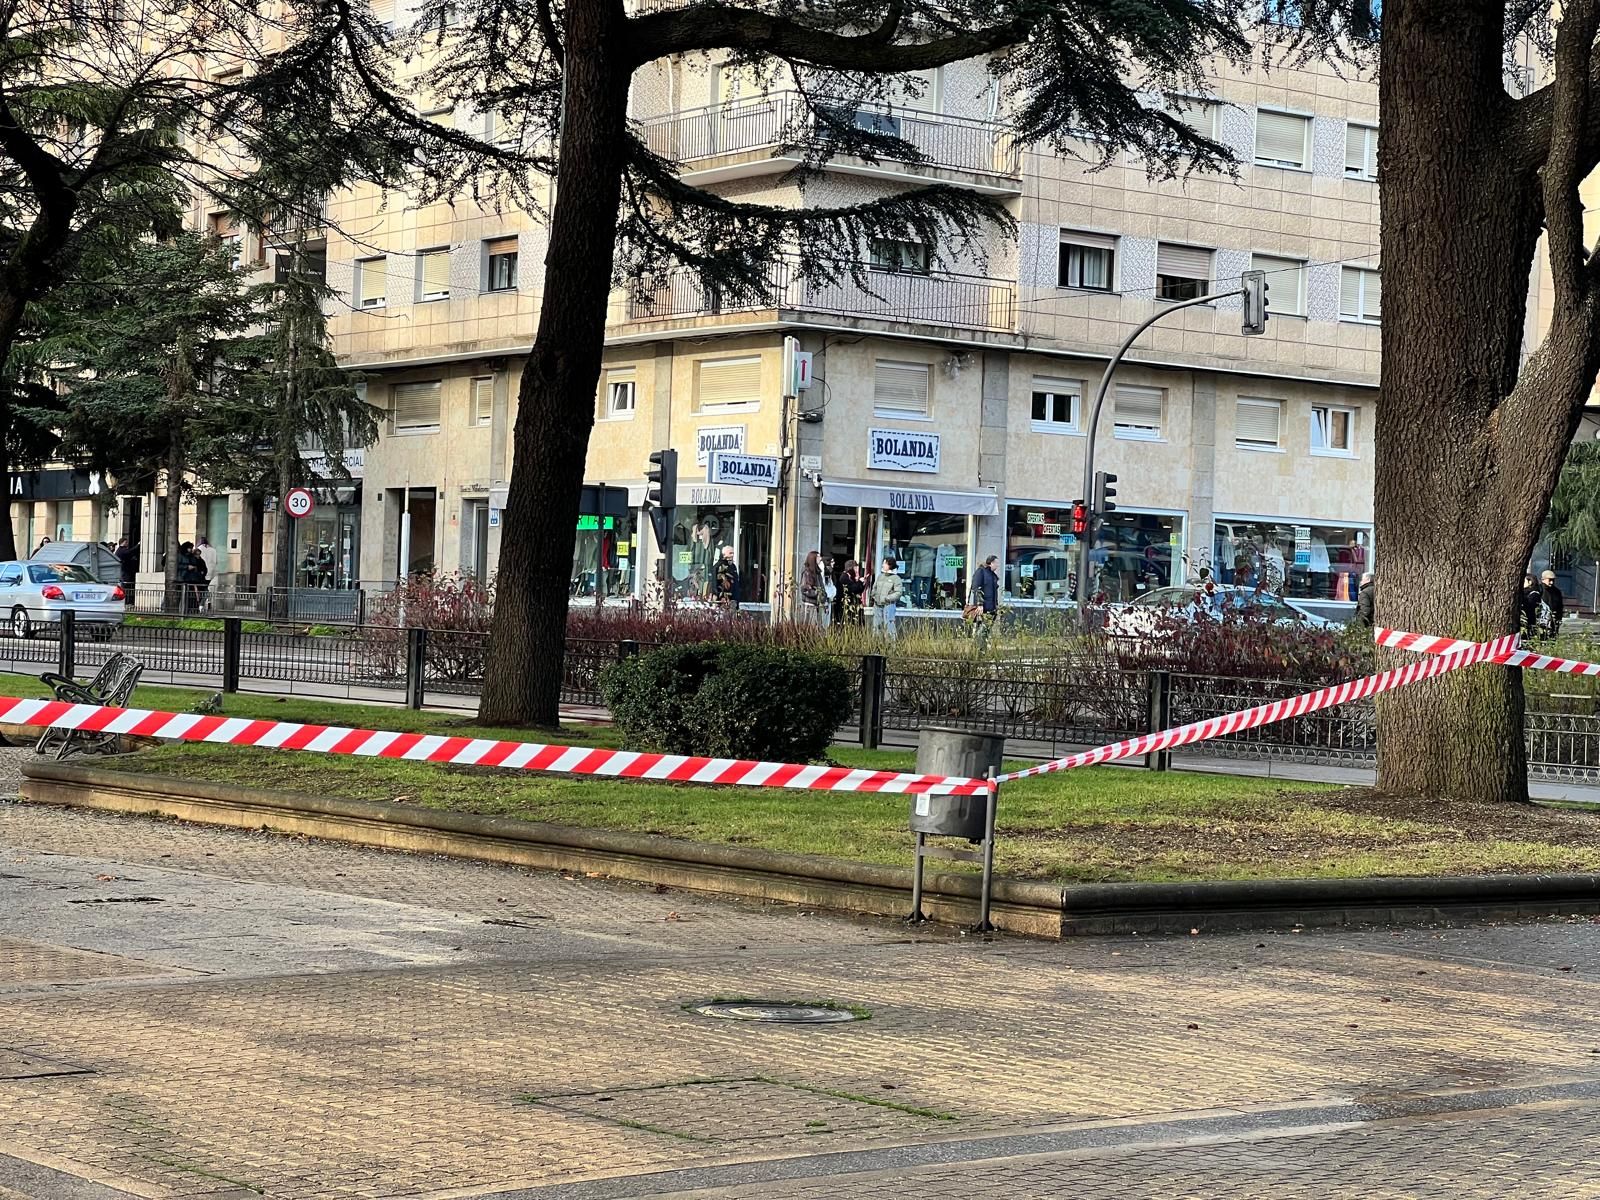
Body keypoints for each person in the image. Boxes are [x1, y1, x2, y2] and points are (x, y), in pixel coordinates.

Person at [869, 554, 903, 639]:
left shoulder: (896, 578)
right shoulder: (880, 576)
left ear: (889, 565)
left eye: (884, 563)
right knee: (876, 626)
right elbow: (874, 587)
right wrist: (874, 596)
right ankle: (877, 644)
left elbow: (898, 592)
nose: (882, 565)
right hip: (877, 605)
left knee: (889, 625)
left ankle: (891, 645)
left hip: (888, 605)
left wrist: (887, 598)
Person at [971, 554, 1001, 648]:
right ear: (991, 563)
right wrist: (979, 604)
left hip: (991, 608)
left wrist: (996, 606)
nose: (997, 565)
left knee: (986, 630)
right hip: (983, 608)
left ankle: (982, 648)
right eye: (996, 563)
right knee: (981, 629)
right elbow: (976, 588)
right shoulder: (981, 572)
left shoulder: (992, 575)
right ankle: (978, 649)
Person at [177, 540, 207, 614]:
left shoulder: (191, 556)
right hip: (183, 577)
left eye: (191, 548)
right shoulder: (180, 555)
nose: (191, 549)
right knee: (183, 595)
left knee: (192, 595)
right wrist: (187, 567)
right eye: (189, 548)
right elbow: (177, 566)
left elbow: (197, 564)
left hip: (191, 579)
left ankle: (192, 610)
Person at [800, 550, 825, 623]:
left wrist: (823, 596)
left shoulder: (818, 572)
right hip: (809, 605)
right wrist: (817, 593)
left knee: (817, 627)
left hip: (817, 604)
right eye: (818, 556)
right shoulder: (807, 572)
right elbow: (804, 589)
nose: (820, 558)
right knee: (809, 627)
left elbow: (822, 586)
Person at [839, 560, 866, 626]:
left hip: (855, 604)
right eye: (855, 568)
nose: (857, 570)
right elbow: (852, 589)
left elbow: (858, 590)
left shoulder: (852, 577)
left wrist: (862, 583)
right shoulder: (844, 577)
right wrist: (859, 582)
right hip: (848, 604)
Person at [714, 545, 741, 610]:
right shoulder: (719, 566)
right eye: (730, 553)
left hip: (734, 598)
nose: (732, 555)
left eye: (733, 553)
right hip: (723, 599)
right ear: (724, 554)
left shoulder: (733, 566)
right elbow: (715, 583)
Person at [1540, 570, 1565, 638]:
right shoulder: (1539, 589)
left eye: (1553, 580)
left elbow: (1560, 606)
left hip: (1554, 618)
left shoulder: (1556, 592)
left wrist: (1559, 618)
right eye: (1550, 580)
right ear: (1543, 580)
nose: (1551, 582)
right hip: (1543, 619)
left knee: (1553, 636)